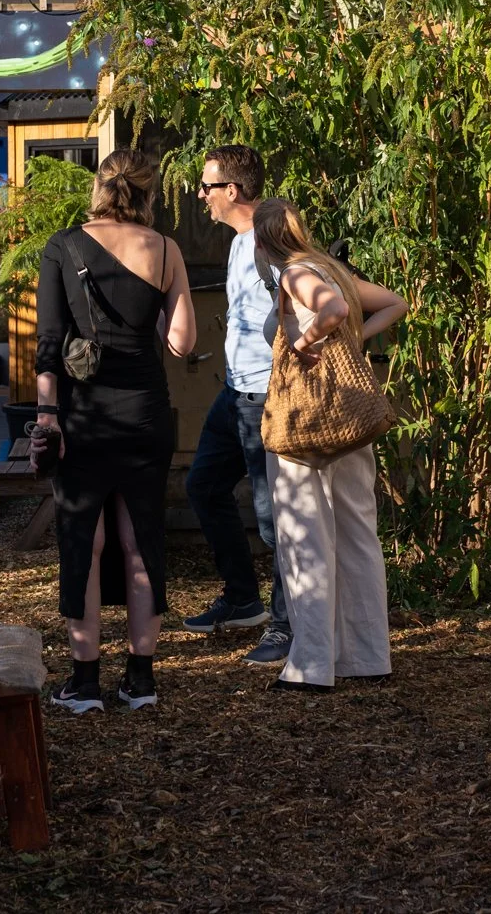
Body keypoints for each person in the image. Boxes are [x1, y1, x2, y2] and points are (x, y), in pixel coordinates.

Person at [31, 148, 195, 712]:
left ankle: (83, 682)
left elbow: (48, 344)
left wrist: (47, 418)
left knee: (86, 538)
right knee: (140, 539)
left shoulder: (63, 245)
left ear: (98, 188)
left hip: (84, 414)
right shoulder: (167, 249)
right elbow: (183, 343)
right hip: (148, 411)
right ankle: (140, 679)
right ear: (149, 193)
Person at [250, 200, 405, 692]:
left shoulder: (296, 273)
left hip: (305, 424)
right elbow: (396, 303)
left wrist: (302, 345)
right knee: (358, 534)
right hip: (348, 417)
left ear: (262, 242)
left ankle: (312, 664)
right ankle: (366, 656)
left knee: (305, 538)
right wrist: (354, 340)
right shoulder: (332, 269)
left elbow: (332, 310)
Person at [183, 144, 292, 666]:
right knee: (203, 486)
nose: (200, 195)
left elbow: (309, 305)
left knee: (275, 521)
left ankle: (288, 626)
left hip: (266, 397)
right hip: (234, 394)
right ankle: (244, 598)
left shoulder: (273, 242)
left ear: (232, 190)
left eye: (207, 186)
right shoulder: (235, 243)